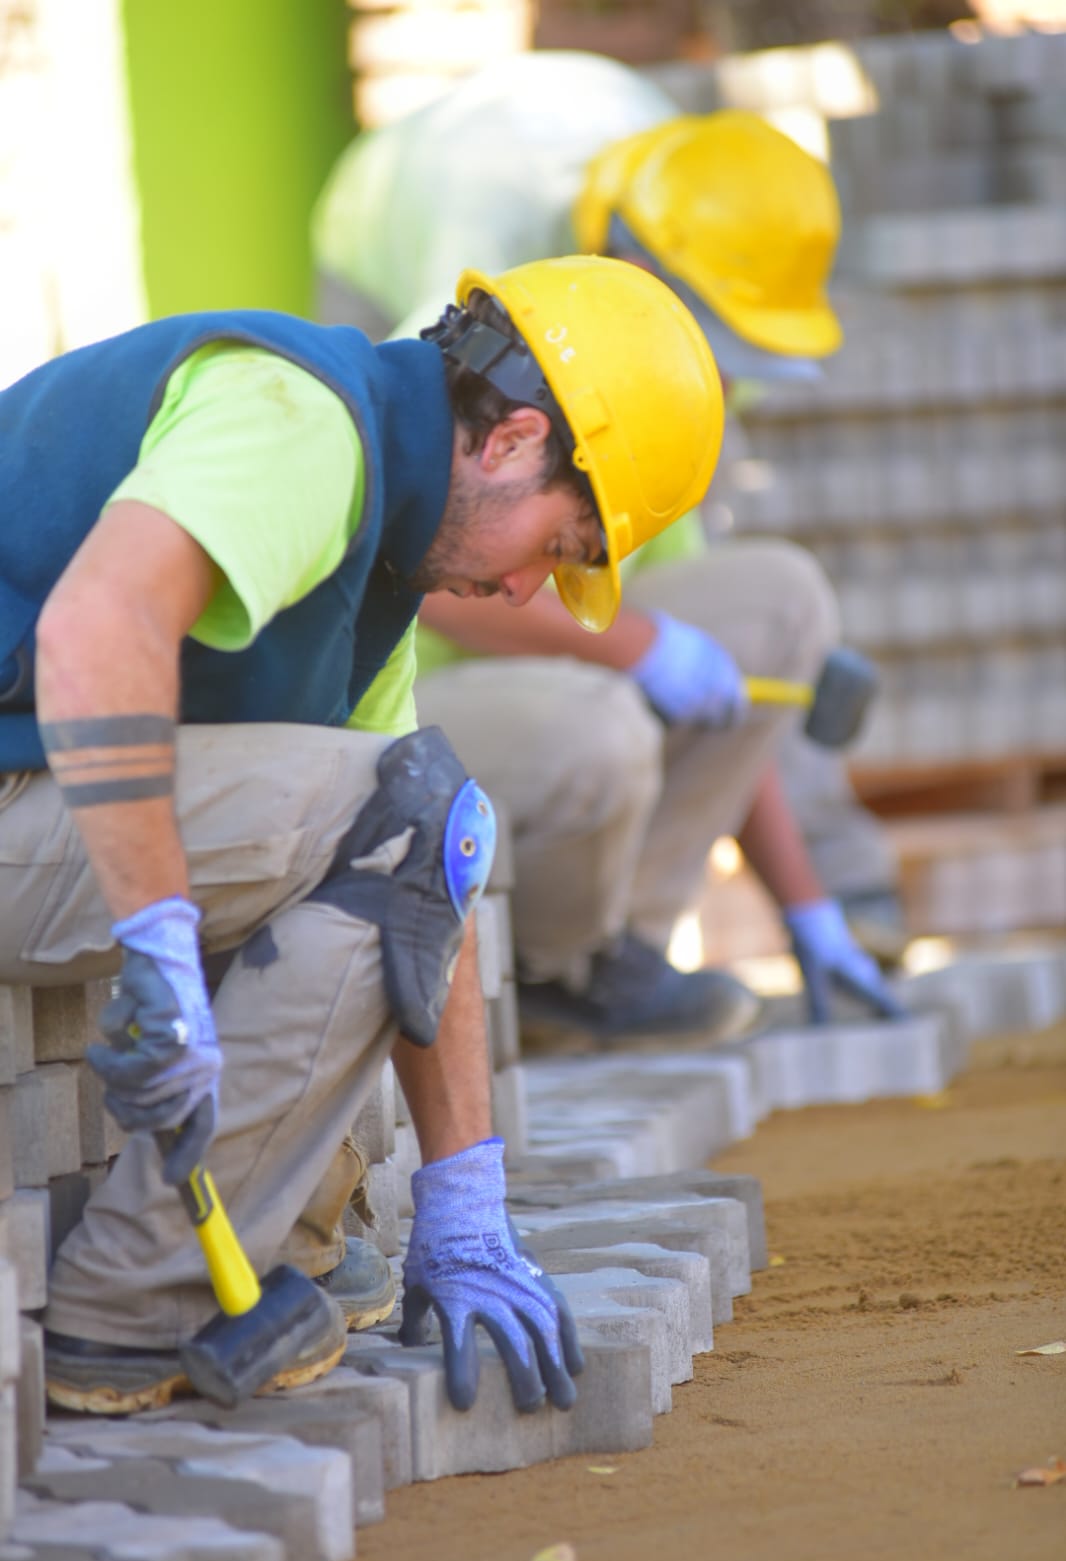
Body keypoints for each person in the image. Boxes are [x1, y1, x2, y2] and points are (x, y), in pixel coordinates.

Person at [0, 253, 723, 1415]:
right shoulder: (298, 420)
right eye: (560, 545)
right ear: (511, 440)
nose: (535, 593)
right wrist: (162, 941)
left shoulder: (377, 546)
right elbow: (96, 626)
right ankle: (137, 1308)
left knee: (416, 818)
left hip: (31, 801)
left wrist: (466, 1204)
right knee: (406, 808)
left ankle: (250, 1251)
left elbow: (432, 851)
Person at [312, 50, 906, 1041]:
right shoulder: (482, 274)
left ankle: (605, 957)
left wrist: (804, 901)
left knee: (771, 604)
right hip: (385, 229)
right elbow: (427, 554)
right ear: (645, 282)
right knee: (504, 604)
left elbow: (719, 679)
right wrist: (631, 646)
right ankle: (540, 936)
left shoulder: (705, 212)